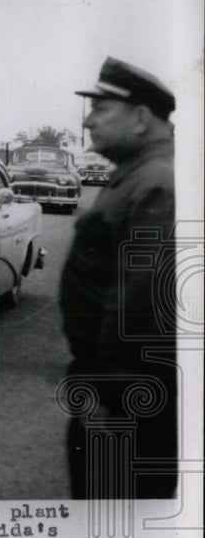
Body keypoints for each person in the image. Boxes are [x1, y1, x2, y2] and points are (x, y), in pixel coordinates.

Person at [63, 56, 178, 500]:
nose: (90, 120)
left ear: (141, 118)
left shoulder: (155, 185)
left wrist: (110, 403)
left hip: (122, 413)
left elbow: (142, 315)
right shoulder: (136, 177)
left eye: (101, 108)